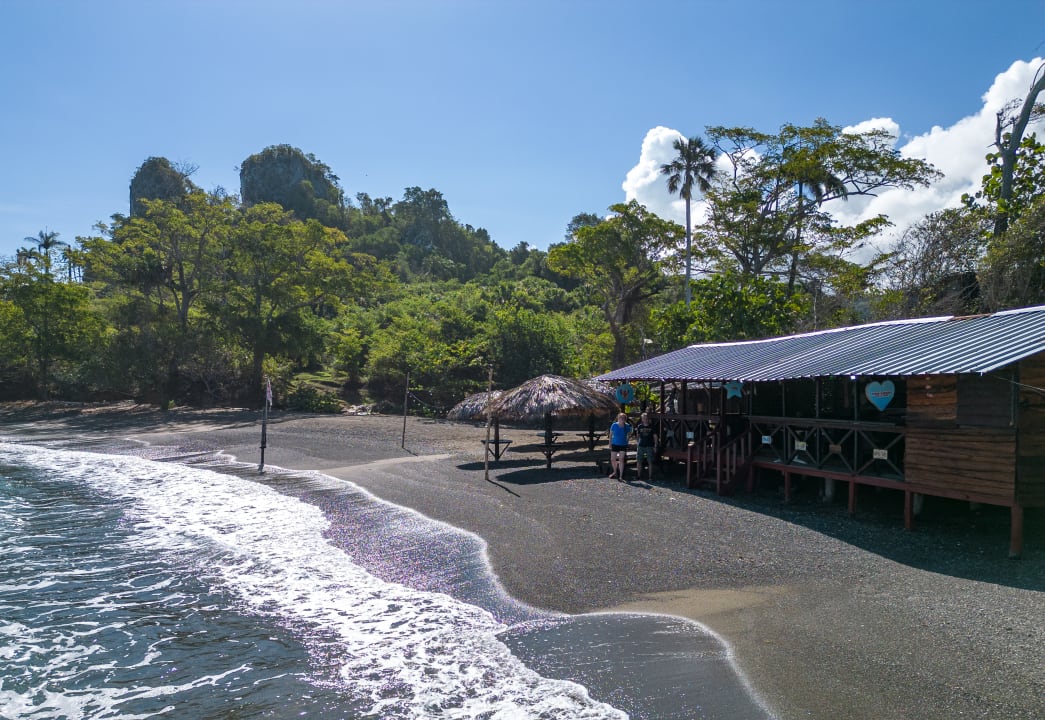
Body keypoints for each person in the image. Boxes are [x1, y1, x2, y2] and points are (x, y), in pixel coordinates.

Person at [607, 412, 632, 479]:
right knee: (612, 459)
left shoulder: (627, 426)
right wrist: (610, 443)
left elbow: (629, 434)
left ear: (625, 419)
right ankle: (615, 472)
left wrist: (627, 440)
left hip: (623, 444)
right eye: (620, 418)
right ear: (618, 418)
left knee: (621, 459)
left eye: (623, 418)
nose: (621, 419)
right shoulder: (614, 425)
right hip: (615, 444)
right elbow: (610, 435)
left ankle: (621, 476)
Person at [634, 412, 656, 481]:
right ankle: (638, 475)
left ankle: (650, 476)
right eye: (643, 418)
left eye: (646, 418)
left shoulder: (652, 426)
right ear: (642, 419)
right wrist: (637, 443)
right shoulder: (640, 426)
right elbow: (638, 435)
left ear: (648, 419)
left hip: (649, 446)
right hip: (641, 445)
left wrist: (655, 446)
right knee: (639, 461)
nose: (645, 419)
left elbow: (655, 437)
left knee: (650, 461)